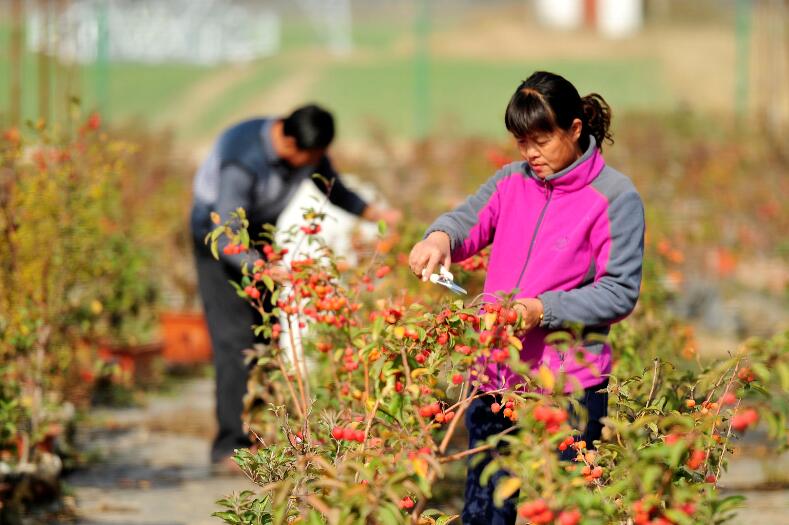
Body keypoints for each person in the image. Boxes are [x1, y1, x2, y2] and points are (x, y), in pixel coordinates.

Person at [408, 71, 645, 525]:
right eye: (521, 141)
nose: (530, 153)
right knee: (485, 510)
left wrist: (541, 310)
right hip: (497, 377)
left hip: (569, 383)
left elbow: (619, 292)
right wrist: (439, 239)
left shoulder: (615, 198)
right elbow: (466, 221)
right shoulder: (511, 182)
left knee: (567, 508)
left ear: (575, 129)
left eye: (541, 139)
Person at [191, 104, 400, 470]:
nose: (312, 163)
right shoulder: (243, 158)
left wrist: (377, 215)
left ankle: (261, 436)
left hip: (258, 241)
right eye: (308, 157)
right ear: (287, 140)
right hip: (219, 241)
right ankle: (228, 446)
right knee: (234, 342)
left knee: (268, 336)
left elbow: (333, 189)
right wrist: (258, 267)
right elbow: (226, 234)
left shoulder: (306, 151)